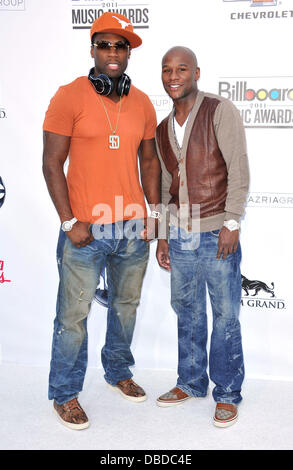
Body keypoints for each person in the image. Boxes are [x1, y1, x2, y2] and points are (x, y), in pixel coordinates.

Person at [42, 12, 161, 430]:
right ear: (93, 49)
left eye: (121, 46)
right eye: (106, 45)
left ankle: (118, 373)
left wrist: (154, 213)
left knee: (125, 308)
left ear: (129, 53)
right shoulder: (68, 96)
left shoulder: (143, 101)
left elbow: (149, 160)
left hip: (131, 227)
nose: (113, 53)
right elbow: (52, 162)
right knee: (72, 318)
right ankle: (65, 392)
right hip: (85, 230)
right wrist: (67, 221)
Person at [155, 46, 249, 427]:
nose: (174, 76)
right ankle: (191, 382)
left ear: (196, 72)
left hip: (216, 233)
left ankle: (226, 393)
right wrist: (162, 236)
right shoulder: (162, 129)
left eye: (181, 69)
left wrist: (232, 223)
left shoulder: (219, 110)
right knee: (188, 312)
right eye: (167, 70)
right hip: (179, 236)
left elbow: (238, 169)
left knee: (225, 315)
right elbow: (164, 186)